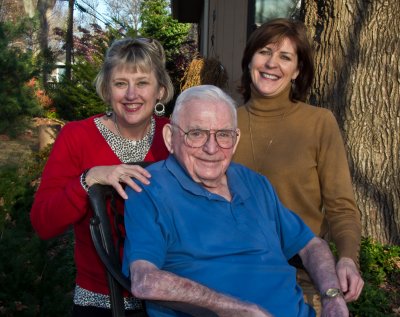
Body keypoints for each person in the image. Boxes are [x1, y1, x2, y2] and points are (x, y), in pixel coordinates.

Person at [122, 85, 349, 317]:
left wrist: (332, 296)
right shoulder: (150, 190)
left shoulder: (254, 182)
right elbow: (145, 280)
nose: (211, 148)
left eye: (223, 135)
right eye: (196, 134)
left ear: (236, 139)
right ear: (170, 137)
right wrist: (232, 309)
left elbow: (311, 245)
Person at [30, 37, 174, 317]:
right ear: (107, 90)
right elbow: (43, 224)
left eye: (142, 83)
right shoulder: (77, 137)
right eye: (121, 84)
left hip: (170, 299)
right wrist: (88, 179)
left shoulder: (175, 137)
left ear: (160, 90)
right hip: (100, 302)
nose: (132, 94)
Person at [233, 18, 364, 314]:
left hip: (300, 270)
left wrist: (347, 258)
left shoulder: (319, 123)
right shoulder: (225, 123)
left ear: (297, 70)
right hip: (234, 267)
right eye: (265, 51)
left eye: (285, 57)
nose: (271, 64)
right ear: (250, 59)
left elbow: (341, 206)